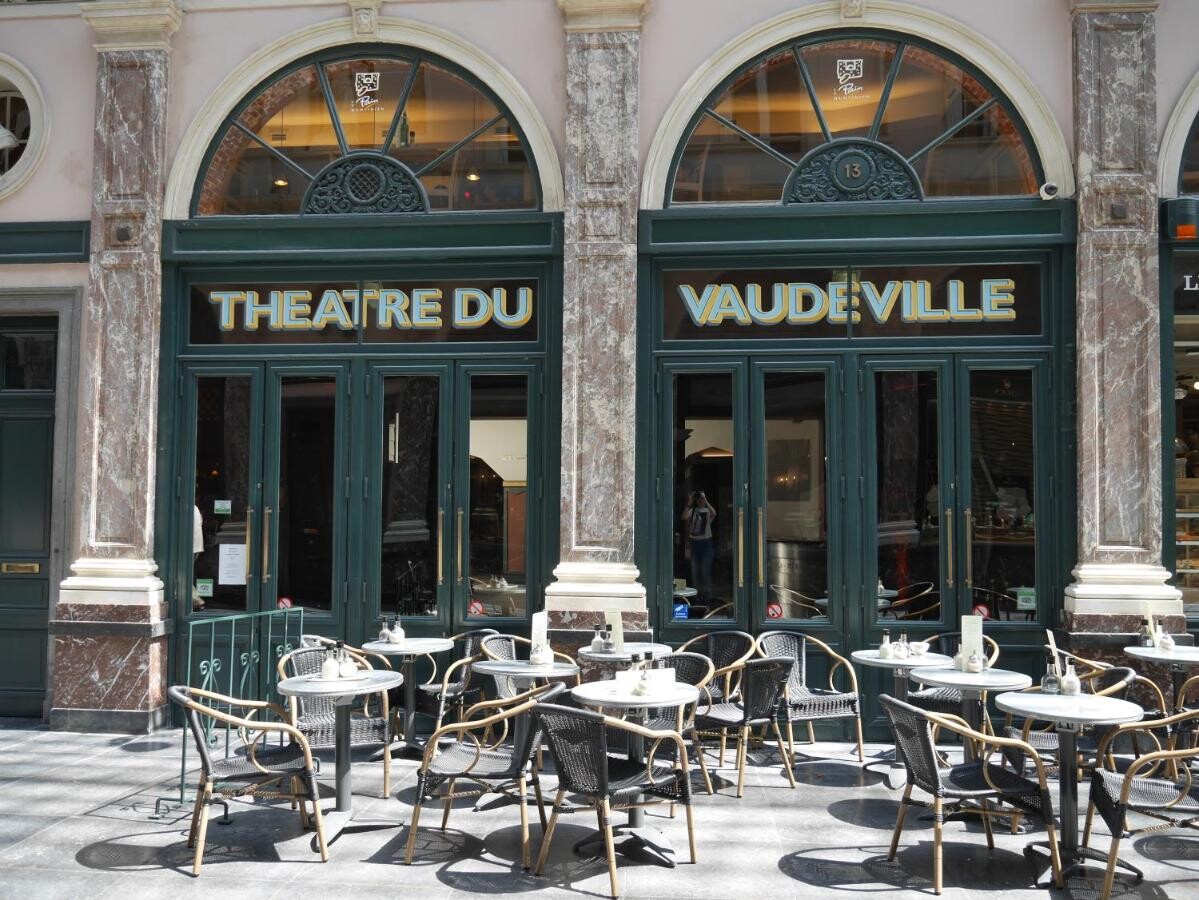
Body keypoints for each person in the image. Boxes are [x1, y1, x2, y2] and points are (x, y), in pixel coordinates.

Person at [682, 490, 716, 602]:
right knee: (695, 572)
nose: (700, 500)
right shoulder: (692, 510)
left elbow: (714, 513)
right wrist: (690, 501)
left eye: (701, 497)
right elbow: (683, 516)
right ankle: (696, 598)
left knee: (705, 572)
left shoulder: (707, 511)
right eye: (698, 498)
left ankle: (706, 597)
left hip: (706, 543)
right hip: (695, 543)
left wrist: (705, 500)